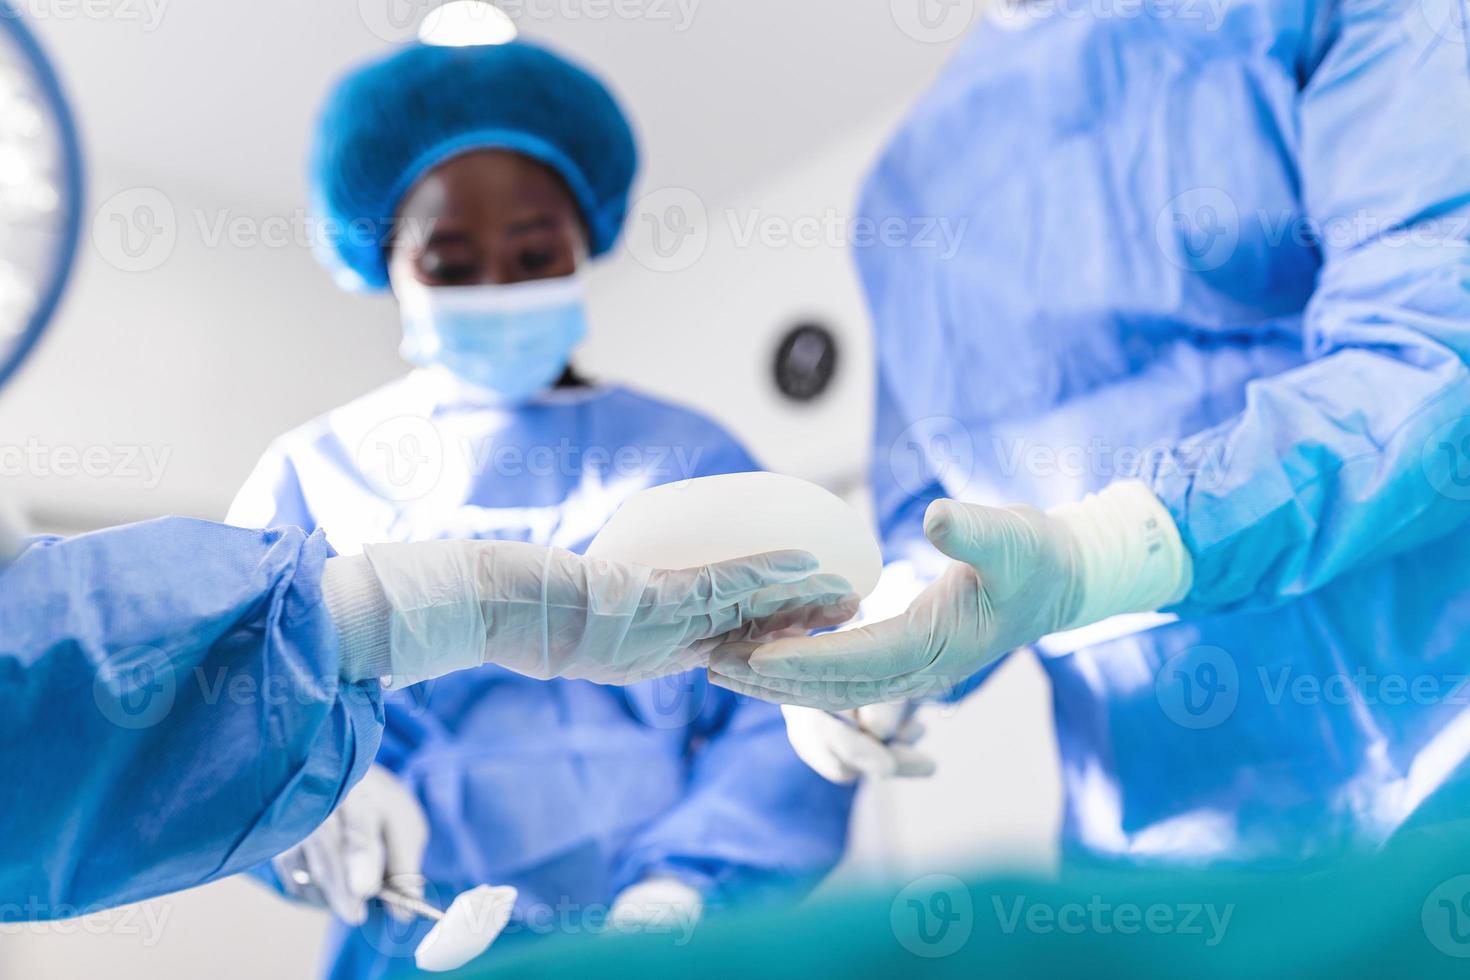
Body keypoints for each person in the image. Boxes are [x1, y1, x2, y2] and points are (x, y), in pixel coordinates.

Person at [713, 0, 1470, 864]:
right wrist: (893, 628)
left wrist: (1109, 548)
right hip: (1162, 850)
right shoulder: (908, 190)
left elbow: (1433, 356)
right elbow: (932, 501)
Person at [226, 40, 857, 975]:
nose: (498, 289)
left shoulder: (688, 456)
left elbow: (787, 696)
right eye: (450, 262)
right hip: (414, 936)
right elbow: (241, 703)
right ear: (384, 260)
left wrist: (687, 893)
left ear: (584, 243)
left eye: (533, 255)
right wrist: (313, 808)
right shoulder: (314, 470)